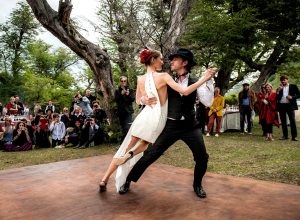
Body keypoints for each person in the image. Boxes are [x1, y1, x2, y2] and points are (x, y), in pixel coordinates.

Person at [100, 48, 215, 199]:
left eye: (175, 59)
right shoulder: (166, 78)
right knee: (150, 154)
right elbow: (146, 92)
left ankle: (197, 185)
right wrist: (144, 100)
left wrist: (209, 82)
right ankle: (128, 180)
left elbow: (207, 102)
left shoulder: (195, 82)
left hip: (190, 126)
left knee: (202, 157)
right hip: (170, 125)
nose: (171, 61)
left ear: (184, 62)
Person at [276, 75, 300, 141]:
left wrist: (292, 97)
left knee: (292, 121)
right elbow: (277, 98)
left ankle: (294, 137)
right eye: (282, 80)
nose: (283, 81)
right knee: (283, 121)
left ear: (287, 80)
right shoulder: (279, 88)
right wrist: (278, 92)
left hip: (290, 105)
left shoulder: (293, 86)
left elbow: (299, 95)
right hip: (281, 106)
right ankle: (285, 136)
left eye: (284, 80)